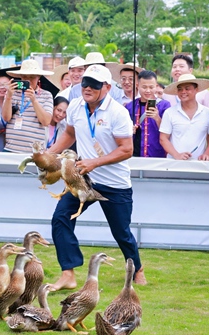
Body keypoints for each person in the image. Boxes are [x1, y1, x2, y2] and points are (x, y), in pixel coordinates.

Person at [46, 64, 145, 289]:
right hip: (83, 179)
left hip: (114, 182)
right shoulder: (75, 106)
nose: (87, 88)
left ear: (107, 87)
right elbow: (70, 133)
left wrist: (95, 162)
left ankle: (137, 267)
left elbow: (127, 150)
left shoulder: (118, 113)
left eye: (94, 84)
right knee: (61, 217)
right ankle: (68, 272)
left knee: (121, 233)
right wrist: (49, 153)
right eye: (85, 83)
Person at [159, 74, 209, 160]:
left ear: (196, 90)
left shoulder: (208, 113)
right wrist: (176, 155)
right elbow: (163, 138)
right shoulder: (170, 112)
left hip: (199, 163)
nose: (183, 92)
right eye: (180, 89)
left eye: (187, 88)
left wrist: (206, 154)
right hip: (173, 163)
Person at [2, 60, 54, 154]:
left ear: (38, 77)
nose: (28, 80)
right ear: (20, 77)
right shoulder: (12, 93)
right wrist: (9, 96)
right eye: (25, 77)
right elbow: (6, 118)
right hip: (11, 148)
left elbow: (46, 121)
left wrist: (34, 100)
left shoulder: (47, 95)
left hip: (35, 152)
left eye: (32, 77)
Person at [126, 70, 170, 158]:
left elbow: (169, 133)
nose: (148, 90)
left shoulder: (164, 105)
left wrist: (157, 118)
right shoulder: (130, 106)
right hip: (135, 154)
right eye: (144, 87)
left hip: (157, 154)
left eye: (151, 87)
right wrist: (129, 130)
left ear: (156, 86)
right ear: (137, 86)